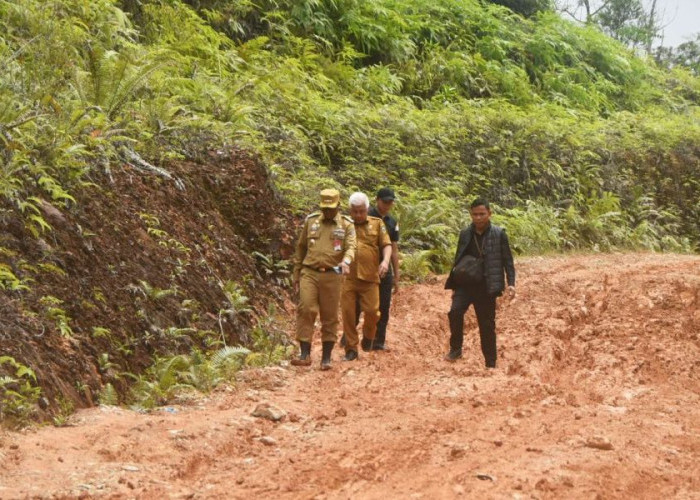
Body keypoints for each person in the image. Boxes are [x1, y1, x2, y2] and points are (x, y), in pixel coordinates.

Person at [444, 198, 515, 368]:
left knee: (486, 324)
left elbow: (507, 260)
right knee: (455, 312)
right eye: (475, 214)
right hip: (465, 284)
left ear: (489, 214)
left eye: (482, 214)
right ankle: (456, 349)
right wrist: (454, 284)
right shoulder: (465, 233)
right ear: (470, 214)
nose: (478, 218)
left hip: (486, 285)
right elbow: (458, 259)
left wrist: (511, 283)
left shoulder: (499, 234)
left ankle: (490, 362)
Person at [291, 189, 356, 370]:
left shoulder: (346, 225)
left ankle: (326, 358)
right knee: (306, 308)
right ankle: (304, 353)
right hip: (309, 271)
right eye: (325, 208)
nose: (327, 212)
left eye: (331, 208)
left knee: (330, 315)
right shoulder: (311, 221)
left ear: (338, 207)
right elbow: (301, 248)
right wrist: (296, 273)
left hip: (333, 274)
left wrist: (346, 261)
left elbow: (351, 247)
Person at [341, 192, 392, 361]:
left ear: (367, 209)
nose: (358, 215)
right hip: (348, 279)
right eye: (355, 211)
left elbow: (387, 245)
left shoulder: (377, 224)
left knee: (372, 312)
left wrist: (385, 261)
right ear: (350, 211)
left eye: (361, 211)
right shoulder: (343, 225)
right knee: (348, 314)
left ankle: (369, 335)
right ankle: (351, 349)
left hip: (370, 278)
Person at [367, 187, 400, 350]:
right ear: (377, 200)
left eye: (390, 202)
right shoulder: (366, 216)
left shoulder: (392, 222)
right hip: (366, 267)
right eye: (384, 201)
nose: (387, 205)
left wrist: (396, 276)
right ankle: (349, 338)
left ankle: (379, 340)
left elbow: (394, 249)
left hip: (385, 269)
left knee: (384, 306)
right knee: (360, 304)